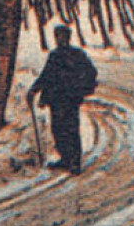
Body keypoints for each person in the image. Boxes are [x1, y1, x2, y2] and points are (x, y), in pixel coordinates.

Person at [30, 25, 98, 173]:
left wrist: (81, 88)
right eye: (57, 36)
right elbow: (45, 76)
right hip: (56, 100)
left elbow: (91, 72)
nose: (59, 39)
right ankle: (65, 159)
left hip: (70, 99)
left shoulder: (78, 55)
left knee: (71, 130)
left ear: (68, 37)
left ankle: (75, 162)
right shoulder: (54, 55)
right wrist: (33, 90)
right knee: (58, 130)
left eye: (61, 36)